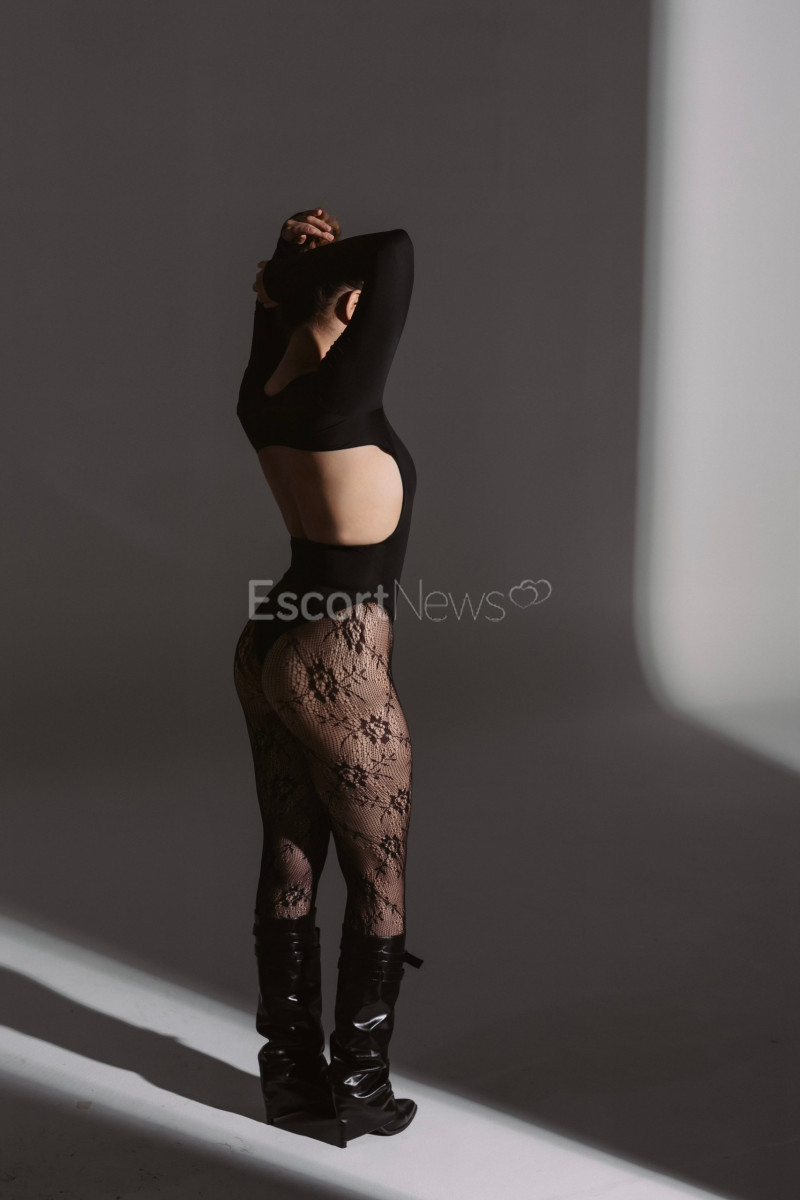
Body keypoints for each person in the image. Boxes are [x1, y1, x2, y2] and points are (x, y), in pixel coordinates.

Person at [233, 207, 423, 1148]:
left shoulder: (264, 397)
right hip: (336, 654)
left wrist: (287, 272)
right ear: (345, 303)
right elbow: (396, 252)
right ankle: (359, 1085)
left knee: (290, 852)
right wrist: (306, 271)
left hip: (269, 637)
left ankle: (291, 1083)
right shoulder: (345, 398)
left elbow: (278, 322)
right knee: (378, 875)